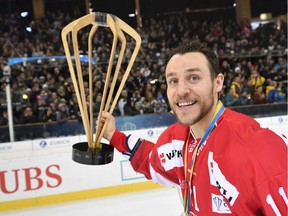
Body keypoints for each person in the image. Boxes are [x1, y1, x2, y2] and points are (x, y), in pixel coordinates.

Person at [97, 40, 287, 215]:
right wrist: (113, 135)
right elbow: (150, 160)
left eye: (193, 78)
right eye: (173, 81)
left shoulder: (260, 151)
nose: (181, 91)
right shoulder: (176, 140)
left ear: (218, 82)